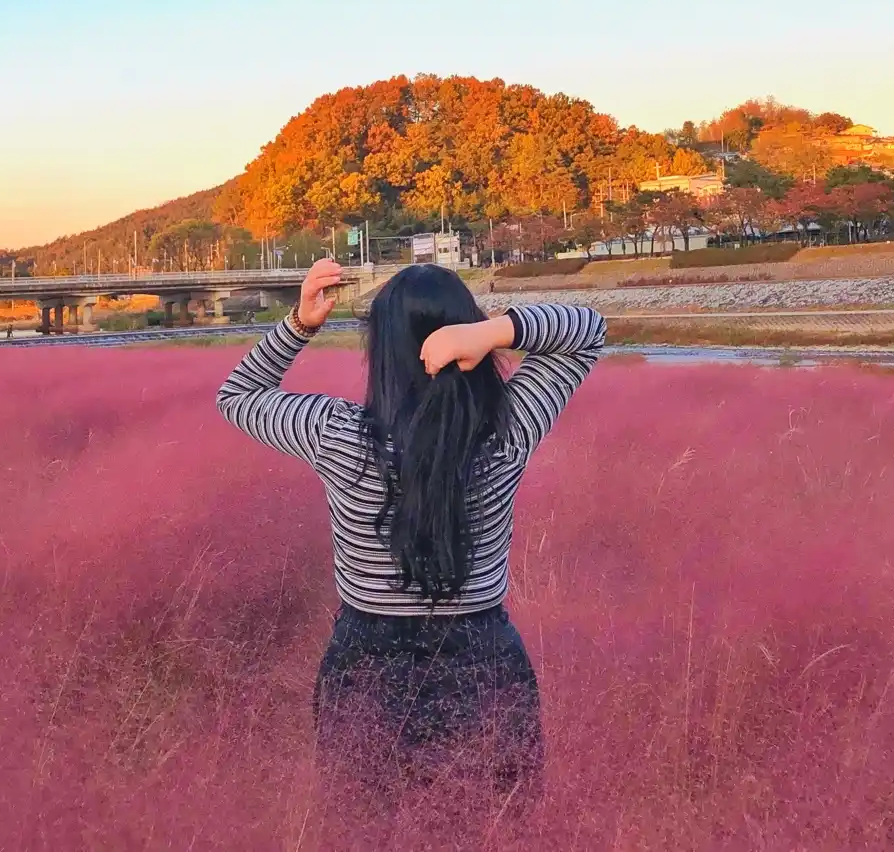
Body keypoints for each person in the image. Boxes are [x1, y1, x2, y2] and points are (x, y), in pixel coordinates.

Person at [216, 258, 605, 794]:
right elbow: (587, 330)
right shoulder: (508, 430)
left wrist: (300, 325)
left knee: (368, 833)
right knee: (494, 829)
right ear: (465, 336)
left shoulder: (337, 433)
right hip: (484, 662)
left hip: (365, 666)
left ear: (381, 352)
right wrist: (492, 332)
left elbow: (237, 395)